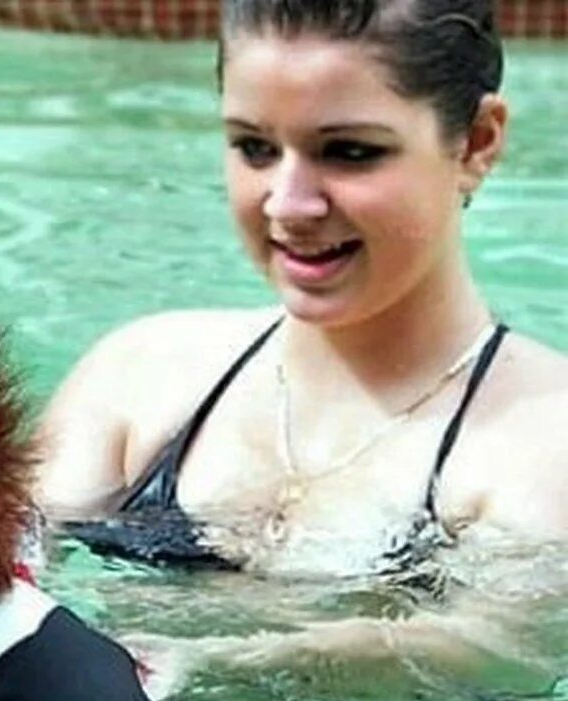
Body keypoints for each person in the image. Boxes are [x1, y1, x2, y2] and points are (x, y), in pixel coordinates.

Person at [35, 0, 567, 581]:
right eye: (254, 148)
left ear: (476, 144)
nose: (288, 204)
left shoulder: (544, 442)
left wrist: (204, 650)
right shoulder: (134, 379)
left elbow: (485, 647)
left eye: (350, 152)